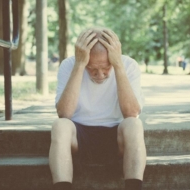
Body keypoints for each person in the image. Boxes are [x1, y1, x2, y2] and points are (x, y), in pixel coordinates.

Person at [49, 27, 146, 190]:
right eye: (92, 69)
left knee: (134, 124)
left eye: (106, 68)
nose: (100, 75)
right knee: (60, 125)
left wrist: (118, 66)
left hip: (116, 135)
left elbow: (131, 112)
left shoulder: (128, 65)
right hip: (79, 135)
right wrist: (80, 65)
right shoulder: (70, 65)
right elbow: (64, 113)